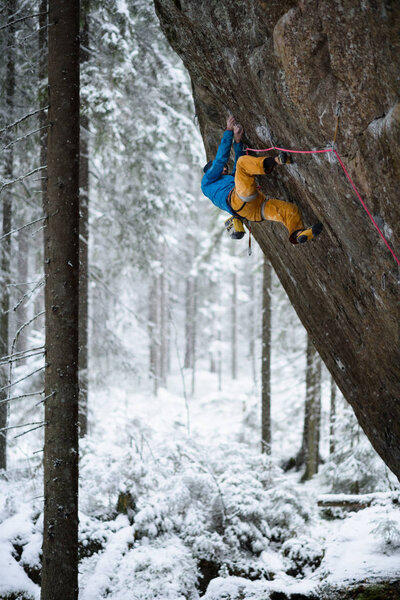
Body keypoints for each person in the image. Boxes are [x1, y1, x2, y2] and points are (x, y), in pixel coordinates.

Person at [201, 116, 323, 244]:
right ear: (211, 171)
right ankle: (276, 161)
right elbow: (222, 160)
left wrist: (237, 142)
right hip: (237, 199)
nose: (225, 169)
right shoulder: (207, 182)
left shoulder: (228, 179)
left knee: (289, 210)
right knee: (242, 164)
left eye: (225, 168)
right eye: (222, 169)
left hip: (253, 210)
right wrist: (228, 131)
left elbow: (240, 168)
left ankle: (298, 233)